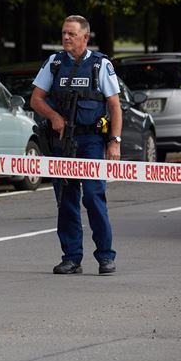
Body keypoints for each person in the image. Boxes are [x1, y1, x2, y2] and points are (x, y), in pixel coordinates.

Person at [30, 15, 122, 275]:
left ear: (85, 37)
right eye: (63, 33)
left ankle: (105, 256)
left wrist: (114, 142)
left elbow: (115, 106)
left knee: (93, 197)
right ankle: (71, 258)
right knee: (67, 200)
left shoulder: (99, 64)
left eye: (71, 33)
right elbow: (36, 99)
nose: (66, 37)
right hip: (62, 142)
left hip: (92, 139)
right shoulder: (55, 63)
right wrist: (54, 116)